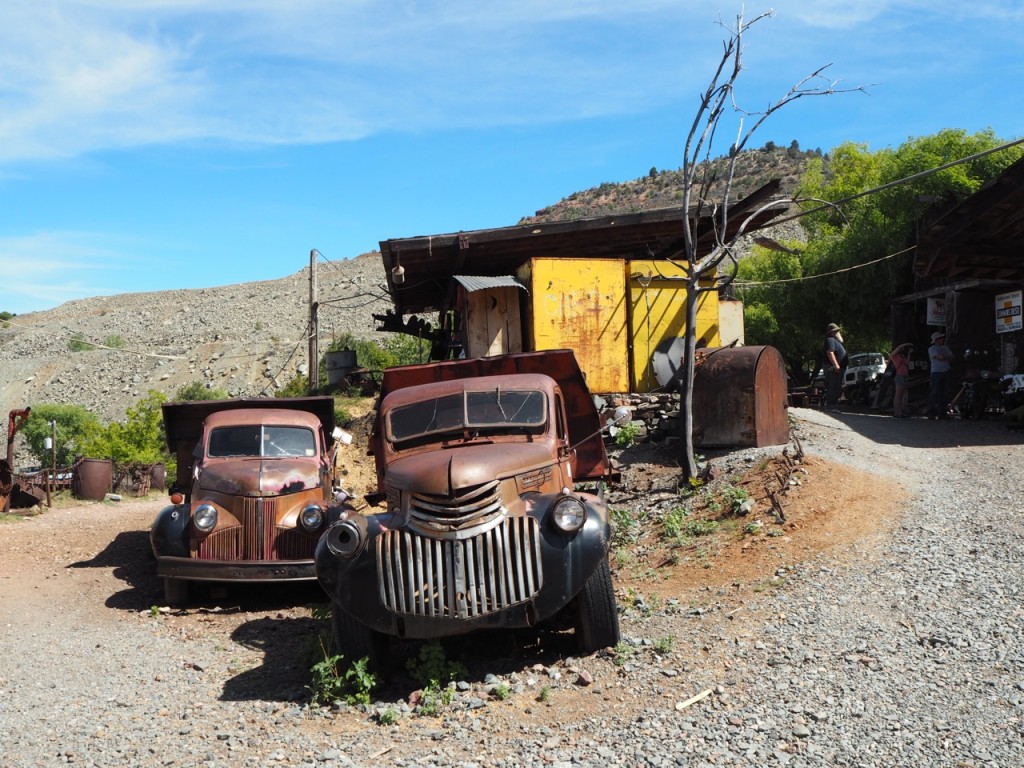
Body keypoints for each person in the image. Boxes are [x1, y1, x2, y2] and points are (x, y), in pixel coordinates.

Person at [927, 331, 954, 419]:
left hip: (945, 371)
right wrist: (945, 357)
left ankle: (942, 413)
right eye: (940, 338)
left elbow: (952, 357)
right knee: (934, 393)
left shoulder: (945, 347)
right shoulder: (932, 349)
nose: (942, 339)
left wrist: (944, 357)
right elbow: (940, 357)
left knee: (944, 393)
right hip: (936, 372)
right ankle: (931, 413)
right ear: (936, 340)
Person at [822, 322, 848, 412]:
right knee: (833, 385)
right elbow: (830, 352)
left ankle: (832, 405)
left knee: (836, 386)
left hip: (835, 367)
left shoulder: (834, 340)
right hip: (832, 367)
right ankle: (830, 406)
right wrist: (836, 365)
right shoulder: (830, 340)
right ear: (832, 332)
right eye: (836, 331)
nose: (838, 332)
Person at [889, 342, 913, 417]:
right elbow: (898, 348)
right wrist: (905, 344)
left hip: (905, 375)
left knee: (902, 395)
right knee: (898, 395)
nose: (902, 349)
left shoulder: (902, 356)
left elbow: (907, 363)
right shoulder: (894, 355)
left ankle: (901, 412)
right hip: (899, 376)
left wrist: (909, 354)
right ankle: (897, 413)